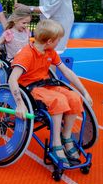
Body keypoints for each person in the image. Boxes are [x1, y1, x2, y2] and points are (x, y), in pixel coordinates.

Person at [9, 19, 93, 166]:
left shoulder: (50, 52)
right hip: (31, 88)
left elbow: (66, 72)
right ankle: (55, 144)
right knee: (59, 100)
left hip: (47, 85)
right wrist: (20, 104)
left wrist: (84, 91)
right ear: (49, 41)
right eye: (58, 40)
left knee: (74, 97)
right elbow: (12, 80)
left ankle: (66, 137)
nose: (59, 42)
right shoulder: (27, 54)